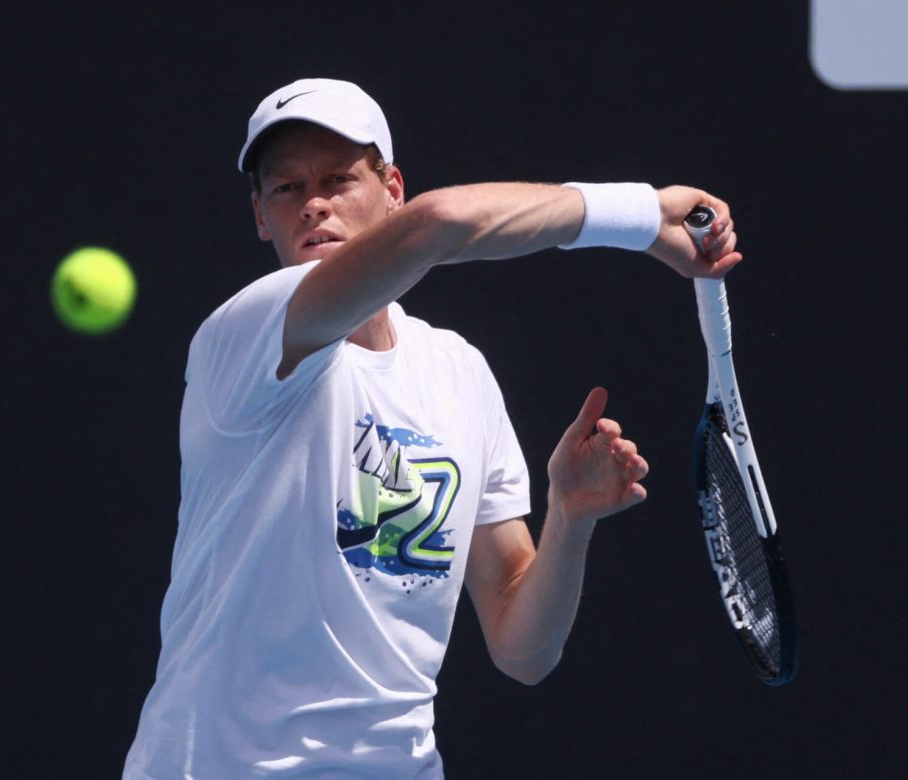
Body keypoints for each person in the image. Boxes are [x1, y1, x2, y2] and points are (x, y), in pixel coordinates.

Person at [123, 78, 740, 779]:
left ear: (390, 188)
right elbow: (438, 224)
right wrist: (638, 211)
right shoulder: (249, 331)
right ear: (261, 216)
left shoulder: (458, 374)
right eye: (286, 189)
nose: (314, 203)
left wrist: (569, 520)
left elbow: (522, 649)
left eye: (337, 179)